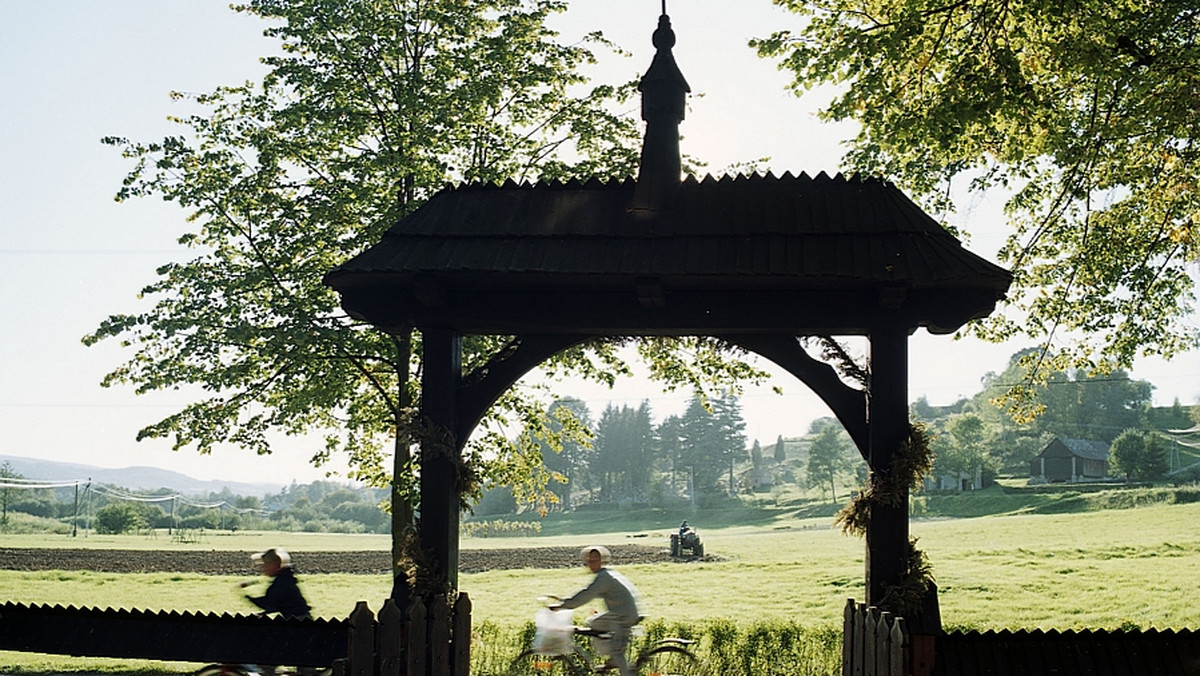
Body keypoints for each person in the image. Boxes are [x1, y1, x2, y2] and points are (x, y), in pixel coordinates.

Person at [552, 545, 641, 676]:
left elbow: (586, 594)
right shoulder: (608, 574)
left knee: (616, 652)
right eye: (589, 561)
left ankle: (615, 659)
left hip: (622, 615)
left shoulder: (604, 578)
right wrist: (565, 600)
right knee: (595, 622)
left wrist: (562, 605)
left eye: (594, 561)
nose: (591, 565)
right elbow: (589, 594)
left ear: (602, 561)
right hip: (624, 612)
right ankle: (610, 656)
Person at [240, 547, 311, 619]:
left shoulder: (282, 583)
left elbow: (268, 603)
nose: (264, 569)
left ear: (276, 564)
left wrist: (246, 596)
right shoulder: (285, 579)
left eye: (266, 565)